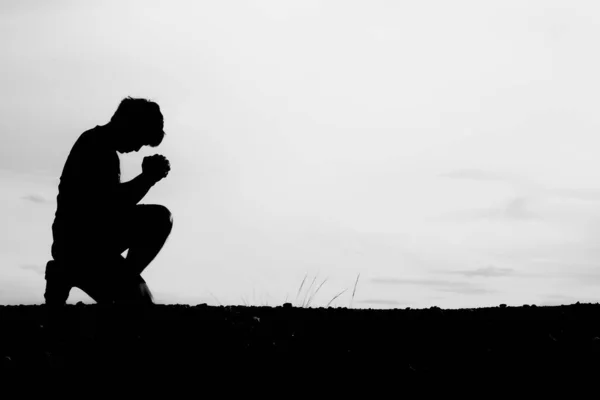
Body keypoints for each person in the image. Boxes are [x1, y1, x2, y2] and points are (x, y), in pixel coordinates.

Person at [44, 97, 173, 306]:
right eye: (140, 139)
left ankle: (78, 274)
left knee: (139, 299)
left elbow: (112, 207)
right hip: (81, 246)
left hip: (88, 244)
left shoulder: (100, 147)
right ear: (129, 125)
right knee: (160, 218)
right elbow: (110, 206)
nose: (138, 148)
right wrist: (147, 178)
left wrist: (147, 178)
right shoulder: (95, 146)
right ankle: (73, 272)